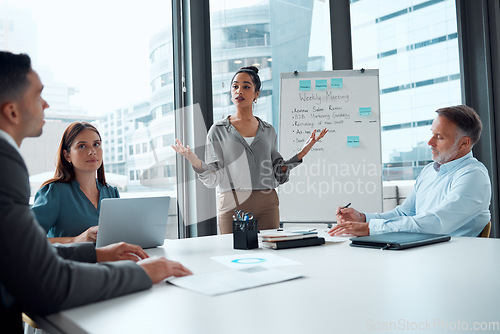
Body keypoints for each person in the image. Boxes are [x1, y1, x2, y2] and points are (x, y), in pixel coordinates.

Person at [0, 51, 192, 333]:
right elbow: (46, 280)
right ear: (12, 111)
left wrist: (97, 253)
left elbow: (26, 256)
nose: (46, 103)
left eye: (97, 144)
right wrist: (138, 273)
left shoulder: (110, 190)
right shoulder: (9, 165)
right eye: (38, 94)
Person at [172, 66, 328, 234]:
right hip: (232, 204)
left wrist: (300, 155)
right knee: (233, 255)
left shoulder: (268, 130)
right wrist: (195, 161)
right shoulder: (217, 130)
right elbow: (215, 176)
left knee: (272, 254)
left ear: (256, 94)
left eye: (246, 86)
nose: (239, 91)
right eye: (235, 86)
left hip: (267, 203)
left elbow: (278, 171)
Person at [329, 105, 491, 237]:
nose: (430, 142)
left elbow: (436, 222)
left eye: (439, 137)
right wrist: (363, 218)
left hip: (453, 260)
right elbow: (406, 212)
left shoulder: (474, 176)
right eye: (432, 134)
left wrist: (370, 228)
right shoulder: (429, 171)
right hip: (422, 251)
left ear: (464, 143)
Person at [32, 121, 118, 244]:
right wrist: (75, 240)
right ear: (67, 155)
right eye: (82, 146)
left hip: (110, 261)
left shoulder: (111, 193)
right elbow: (26, 240)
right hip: (69, 262)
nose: (92, 151)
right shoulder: (53, 193)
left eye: (96, 144)